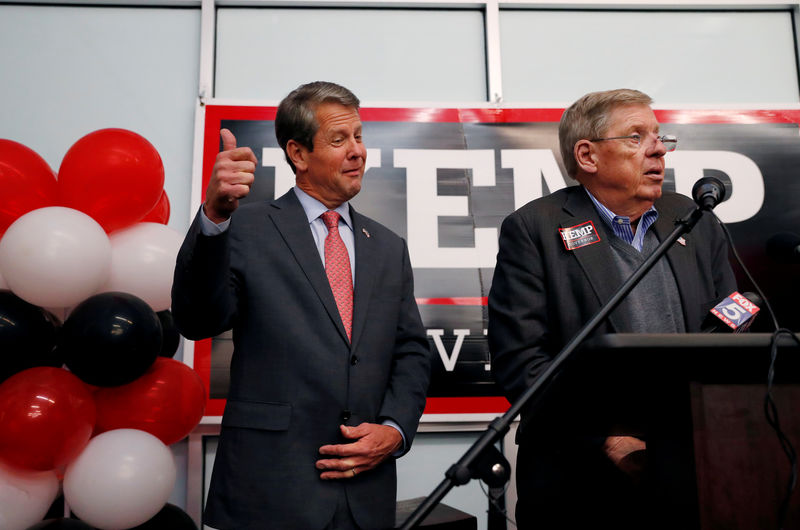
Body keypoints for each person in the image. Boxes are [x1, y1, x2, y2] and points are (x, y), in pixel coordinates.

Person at [172, 81, 432, 530]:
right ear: (297, 153)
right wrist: (214, 218)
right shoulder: (244, 228)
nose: (358, 152)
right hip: (271, 489)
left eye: (359, 136)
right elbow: (197, 320)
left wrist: (394, 428)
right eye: (339, 140)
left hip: (363, 494)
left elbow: (411, 351)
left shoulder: (388, 246)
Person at [488, 88, 736, 529]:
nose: (658, 148)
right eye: (636, 137)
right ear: (587, 155)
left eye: (659, 136)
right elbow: (522, 363)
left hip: (693, 468)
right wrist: (607, 440)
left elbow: (729, 331)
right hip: (581, 480)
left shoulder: (696, 219)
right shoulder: (535, 229)